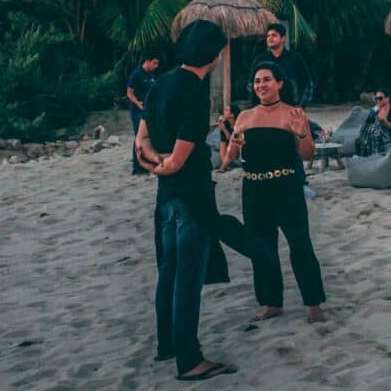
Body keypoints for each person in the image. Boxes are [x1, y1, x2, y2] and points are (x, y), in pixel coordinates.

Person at [133, 20, 237, 382]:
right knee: (187, 281)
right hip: (191, 198)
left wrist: (151, 164)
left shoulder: (160, 84)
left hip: (165, 200)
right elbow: (179, 160)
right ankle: (190, 360)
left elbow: (141, 142)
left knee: (169, 274)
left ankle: (168, 346)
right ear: (213, 54)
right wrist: (165, 167)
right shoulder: (194, 92)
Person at [222, 63, 327, 324]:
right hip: (254, 189)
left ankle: (313, 304)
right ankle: (272, 303)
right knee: (262, 248)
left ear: (280, 83)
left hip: (286, 188)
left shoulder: (292, 114)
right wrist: (234, 143)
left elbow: (307, 154)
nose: (261, 85)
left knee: (300, 245)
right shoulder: (245, 117)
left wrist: (302, 131)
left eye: (267, 80)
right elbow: (231, 158)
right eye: (257, 81)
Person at [250, 22, 314, 107]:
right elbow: (251, 84)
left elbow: (308, 85)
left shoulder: (295, 58)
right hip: (264, 109)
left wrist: (301, 107)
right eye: (268, 36)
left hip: (289, 108)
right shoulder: (260, 60)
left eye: (274, 35)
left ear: (283, 39)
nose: (270, 38)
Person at [126, 53, 159, 175]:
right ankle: (137, 167)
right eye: (154, 63)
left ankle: (147, 162)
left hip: (149, 111)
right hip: (137, 112)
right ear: (148, 61)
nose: (156, 66)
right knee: (139, 138)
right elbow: (129, 93)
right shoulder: (136, 75)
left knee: (149, 137)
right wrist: (137, 103)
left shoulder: (151, 75)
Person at [355, 90, 391, 156]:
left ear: (387, 98)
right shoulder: (375, 110)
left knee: (375, 132)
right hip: (374, 133)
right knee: (362, 135)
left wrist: (384, 120)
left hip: (389, 136)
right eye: (376, 98)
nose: (378, 100)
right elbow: (367, 123)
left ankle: (374, 156)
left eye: (380, 98)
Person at [216, 103, 242, 170]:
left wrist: (224, 129)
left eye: (226, 110)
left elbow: (234, 142)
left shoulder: (239, 125)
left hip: (239, 151)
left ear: (232, 115)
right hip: (228, 154)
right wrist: (224, 163)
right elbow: (223, 145)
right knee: (222, 144)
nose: (224, 112)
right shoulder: (225, 124)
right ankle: (226, 164)